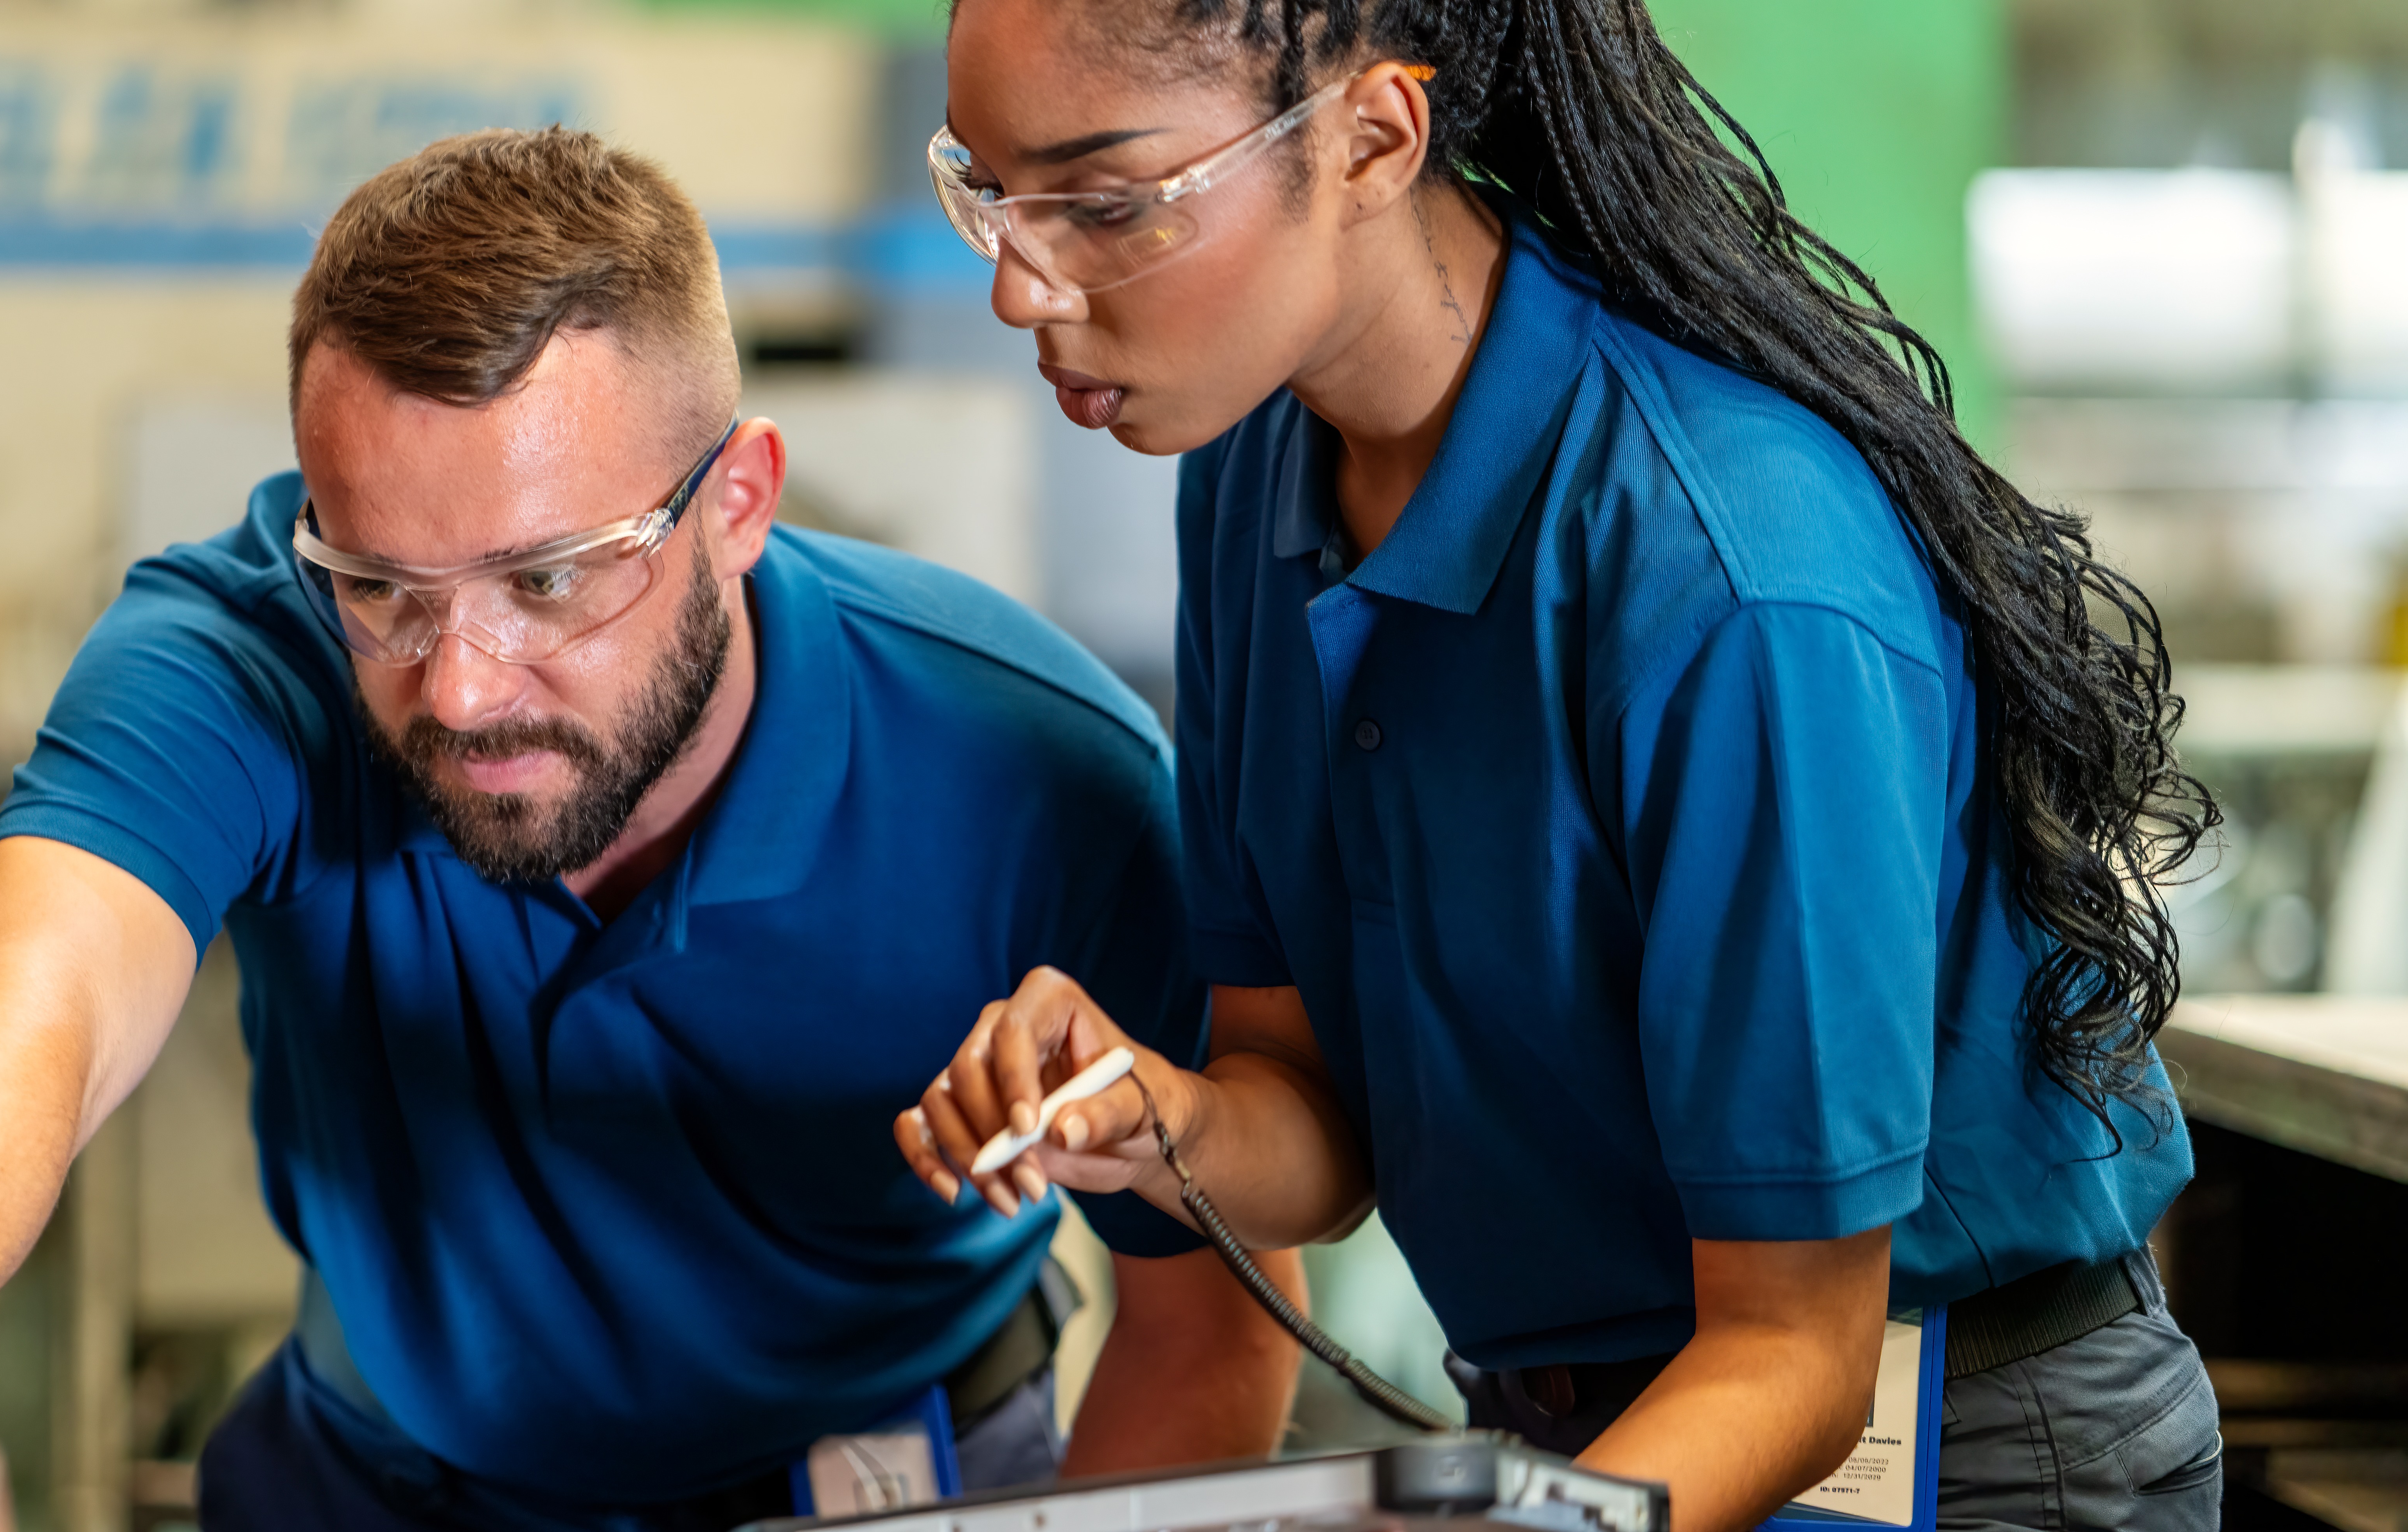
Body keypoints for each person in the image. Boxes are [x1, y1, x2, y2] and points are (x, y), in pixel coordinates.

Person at [0, 128, 1306, 1532]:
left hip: (873, 1482)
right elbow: (27, 995)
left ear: (738, 503)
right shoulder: (245, 653)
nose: (464, 687)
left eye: (550, 580)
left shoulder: (1033, 769)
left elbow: (1211, 1303)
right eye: (384, 588)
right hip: (380, 1485)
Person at [895, 3, 2225, 1530]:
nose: (1016, 282)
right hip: (1588, 1442)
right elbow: (1315, 1117)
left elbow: (1797, 1351)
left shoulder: (1725, 575)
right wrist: (1161, 1121)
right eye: (987, 187)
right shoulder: (1253, 471)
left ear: (1374, 139)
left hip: (1937, 1453)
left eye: (1107, 202)